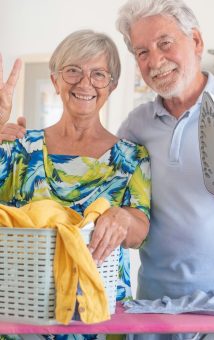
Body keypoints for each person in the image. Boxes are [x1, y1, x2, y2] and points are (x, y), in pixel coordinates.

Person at [1, 1, 214, 339]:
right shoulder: (137, 128)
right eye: (142, 51)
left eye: (165, 43)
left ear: (195, 41)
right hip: (159, 313)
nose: (155, 60)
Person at [0, 29, 150, 340]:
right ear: (55, 80)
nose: (85, 83)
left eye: (98, 74)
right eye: (73, 71)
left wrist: (124, 217)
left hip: (100, 317)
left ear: (111, 86)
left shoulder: (132, 158)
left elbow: (139, 233)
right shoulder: (18, 147)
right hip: (25, 317)